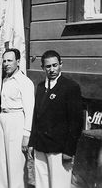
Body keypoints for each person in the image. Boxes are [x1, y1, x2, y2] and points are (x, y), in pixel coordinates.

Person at [29, 50, 83, 188]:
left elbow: (76, 122)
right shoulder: (41, 87)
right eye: (48, 66)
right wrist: (32, 143)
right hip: (41, 146)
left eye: (55, 65)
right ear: (43, 68)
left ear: (61, 65)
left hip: (59, 149)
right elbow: (36, 117)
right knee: (41, 184)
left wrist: (69, 151)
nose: (52, 69)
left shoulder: (70, 87)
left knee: (59, 184)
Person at [0, 48, 35, 188]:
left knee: (15, 162)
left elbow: (30, 110)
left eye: (10, 61)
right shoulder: (5, 79)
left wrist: (26, 134)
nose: (6, 64)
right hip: (3, 118)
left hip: (17, 119)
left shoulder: (24, 81)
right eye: (4, 60)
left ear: (18, 62)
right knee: (2, 160)